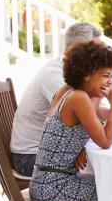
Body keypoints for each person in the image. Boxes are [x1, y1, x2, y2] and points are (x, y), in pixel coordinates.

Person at [29, 40, 112, 201]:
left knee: (104, 184)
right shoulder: (78, 98)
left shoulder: (68, 91)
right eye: (106, 76)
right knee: (109, 189)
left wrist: (82, 146)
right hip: (53, 187)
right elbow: (105, 141)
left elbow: (73, 132)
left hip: (44, 183)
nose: (110, 82)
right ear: (87, 74)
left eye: (111, 77)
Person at [10, 22, 102, 176]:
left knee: (99, 162)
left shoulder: (70, 69)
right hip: (30, 158)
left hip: (49, 150)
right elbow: (84, 113)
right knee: (98, 170)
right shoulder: (54, 74)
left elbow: (90, 111)